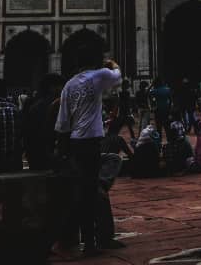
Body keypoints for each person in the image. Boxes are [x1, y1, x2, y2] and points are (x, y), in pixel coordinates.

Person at [55, 55, 124, 257]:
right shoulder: (97, 75)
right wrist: (111, 63)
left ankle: (71, 237)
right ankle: (91, 242)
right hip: (92, 143)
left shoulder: (69, 85)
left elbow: (63, 124)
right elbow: (118, 77)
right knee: (90, 191)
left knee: (82, 189)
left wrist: (62, 151)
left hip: (75, 143)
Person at [22, 73, 64, 171]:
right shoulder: (54, 105)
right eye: (61, 87)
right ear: (53, 88)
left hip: (34, 158)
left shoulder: (32, 104)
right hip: (48, 158)